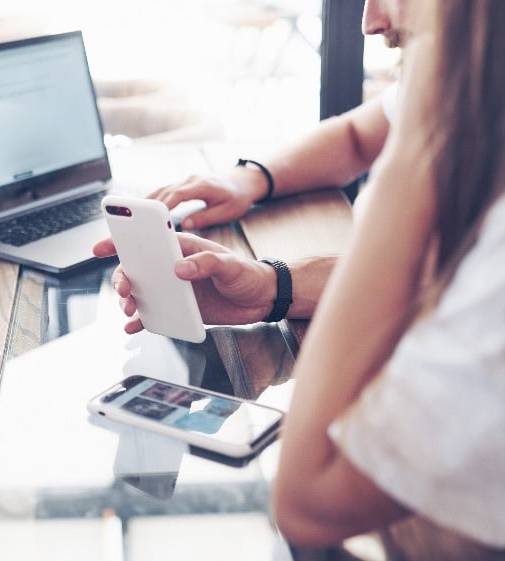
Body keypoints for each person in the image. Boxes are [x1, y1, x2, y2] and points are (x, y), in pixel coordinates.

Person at [272, 0, 505, 548]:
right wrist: (275, 286)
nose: (369, 22)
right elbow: (443, 286)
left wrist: (414, 153)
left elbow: (308, 503)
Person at [93, 0, 410, 331]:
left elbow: (434, 278)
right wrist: (248, 181)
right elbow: (355, 136)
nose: (369, 23)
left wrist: (273, 285)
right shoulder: (436, 80)